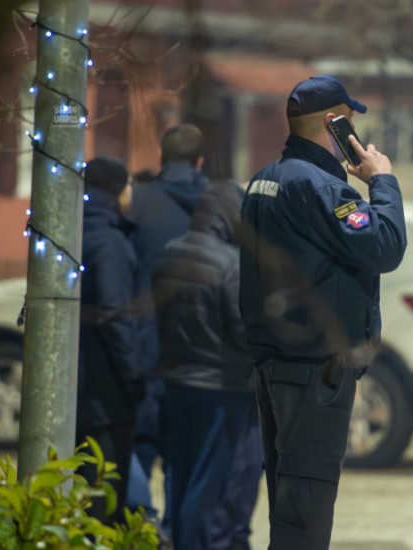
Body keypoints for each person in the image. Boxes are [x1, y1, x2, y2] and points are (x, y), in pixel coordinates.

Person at [239, 75, 407, 548]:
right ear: (334, 124)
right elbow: (387, 247)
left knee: (288, 514)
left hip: (275, 367)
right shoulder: (322, 189)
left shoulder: (263, 180)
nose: (353, 132)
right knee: (306, 523)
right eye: (349, 121)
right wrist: (383, 182)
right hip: (316, 373)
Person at [152, 181, 262, 550]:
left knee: (180, 478)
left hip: (173, 383)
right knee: (209, 484)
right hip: (220, 389)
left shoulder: (169, 254)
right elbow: (241, 329)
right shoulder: (231, 264)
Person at [126, 124, 210, 514]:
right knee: (188, 462)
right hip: (201, 358)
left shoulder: (137, 204)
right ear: (199, 162)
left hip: (145, 350)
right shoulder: (219, 206)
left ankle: (142, 533)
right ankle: (181, 535)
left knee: (137, 451)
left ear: (161, 157)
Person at [76, 157, 144, 524]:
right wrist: (134, 377)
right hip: (106, 394)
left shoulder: (71, 230)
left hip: (79, 386)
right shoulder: (110, 241)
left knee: (85, 491)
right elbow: (114, 315)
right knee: (103, 500)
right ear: (116, 190)